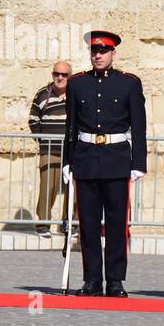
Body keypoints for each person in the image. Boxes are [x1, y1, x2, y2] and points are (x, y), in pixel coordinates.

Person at [62, 30, 146, 297]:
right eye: (94, 51)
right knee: (87, 223)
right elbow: (71, 127)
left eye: (103, 51)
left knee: (116, 223)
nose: (98, 55)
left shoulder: (129, 83)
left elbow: (139, 126)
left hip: (116, 158)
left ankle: (115, 279)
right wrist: (68, 160)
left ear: (113, 54)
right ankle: (92, 280)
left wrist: (138, 162)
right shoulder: (77, 83)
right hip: (86, 158)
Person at [28, 61, 71, 237]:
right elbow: (33, 119)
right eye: (56, 74)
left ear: (70, 76)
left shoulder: (76, 93)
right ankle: (43, 225)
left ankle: (69, 224)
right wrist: (43, 140)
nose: (60, 77)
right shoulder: (42, 94)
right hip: (49, 149)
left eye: (64, 74)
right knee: (48, 187)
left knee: (73, 189)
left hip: (72, 150)